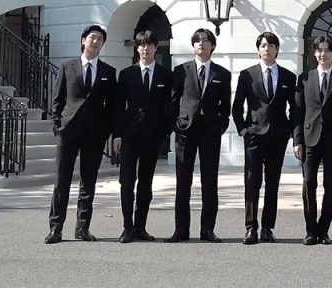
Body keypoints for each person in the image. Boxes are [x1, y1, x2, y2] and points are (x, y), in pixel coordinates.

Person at [45, 24, 117, 244]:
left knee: (88, 182)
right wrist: (57, 126)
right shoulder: (67, 67)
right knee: (62, 181)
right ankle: (56, 228)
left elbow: (112, 105)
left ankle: (82, 228)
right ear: (83, 40)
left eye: (100, 39)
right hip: (68, 131)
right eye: (92, 37)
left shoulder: (108, 72)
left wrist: (107, 130)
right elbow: (57, 100)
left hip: (94, 133)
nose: (96, 42)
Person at [166, 28, 232, 243]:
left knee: (209, 181)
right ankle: (181, 230)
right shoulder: (181, 71)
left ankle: (207, 229)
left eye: (205, 40)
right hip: (186, 130)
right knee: (183, 181)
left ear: (212, 45)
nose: (201, 43)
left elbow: (226, 106)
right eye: (197, 40)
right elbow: (173, 100)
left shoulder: (222, 74)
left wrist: (221, 125)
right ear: (193, 46)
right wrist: (176, 124)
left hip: (210, 131)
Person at [231, 31, 298, 245]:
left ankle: (268, 227)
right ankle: (251, 228)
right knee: (252, 182)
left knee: (272, 182)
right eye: (263, 45)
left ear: (277, 49)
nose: (266, 49)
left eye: (270, 45)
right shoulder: (247, 75)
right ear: (258, 50)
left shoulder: (288, 76)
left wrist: (290, 132)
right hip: (254, 136)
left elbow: (294, 109)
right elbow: (236, 107)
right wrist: (244, 131)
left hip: (278, 136)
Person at [293, 35, 332, 246]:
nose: (323, 54)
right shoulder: (304, 78)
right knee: (308, 184)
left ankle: (324, 229)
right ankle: (311, 230)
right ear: (314, 53)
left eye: (327, 50)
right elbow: (298, 111)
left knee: (331, 185)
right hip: (309, 139)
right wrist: (297, 140)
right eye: (319, 50)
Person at [112, 30, 174, 243]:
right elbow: (118, 107)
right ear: (136, 48)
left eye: (149, 44)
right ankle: (127, 227)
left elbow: (170, 105)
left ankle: (141, 227)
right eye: (141, 44)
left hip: (153, 136)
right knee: (127, 181)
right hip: (129, 136)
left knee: (146, 183)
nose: (145, 48)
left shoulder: (165, 75)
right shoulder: (126, 74)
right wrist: (117, 135)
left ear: (156, 48)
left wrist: (166, 130)